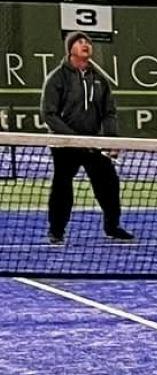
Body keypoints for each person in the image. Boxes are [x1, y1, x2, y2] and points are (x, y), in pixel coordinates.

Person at [39, 34, 135, 245]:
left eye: (88, 43)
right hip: (65, 145)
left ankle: (112, 226)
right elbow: (49, 114)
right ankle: (56, 231)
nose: (86, 45)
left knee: (109, 183)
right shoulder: (57, 78)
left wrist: (111, 141)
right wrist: (74, 139)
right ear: (70, 49)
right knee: (62, 186)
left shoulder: (100, 78)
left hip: (93, 143)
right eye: (80, 42)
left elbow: (109, 112)